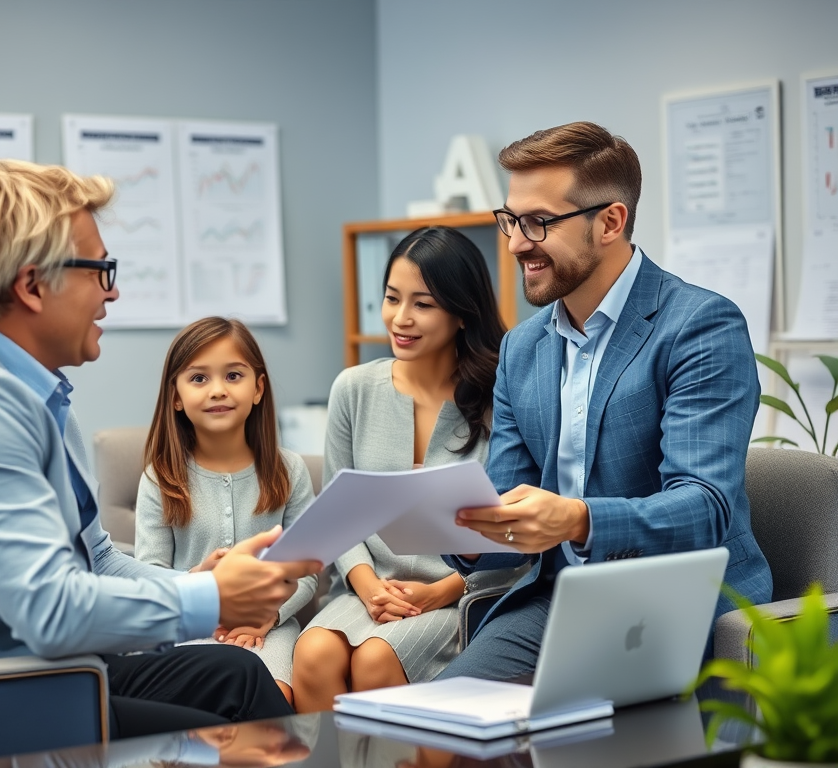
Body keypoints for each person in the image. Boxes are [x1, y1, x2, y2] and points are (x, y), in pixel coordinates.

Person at [0, 159, 320, 736]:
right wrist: (211, 602)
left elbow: (96, 559)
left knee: (238, 676)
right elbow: (51, 611)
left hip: (29, 673)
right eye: (99, 270)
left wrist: (198, 584)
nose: (113, 291)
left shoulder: (34, 395)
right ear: (32, 285)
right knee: (226, 743)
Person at [437, 121, 773, 682]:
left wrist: (576, 519)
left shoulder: (699, 326)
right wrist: (469, 536)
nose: (517, 242)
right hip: (555, 600)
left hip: (671, 602)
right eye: (512, 220)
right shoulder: (523, 348)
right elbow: (513, 512)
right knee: (439, 729)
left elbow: (703, 507)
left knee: (581, 743)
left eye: (539, 222)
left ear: (610, 222)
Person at [292, 226, 506, 712]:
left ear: (461, 312)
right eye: (392, 298)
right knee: (312, 653)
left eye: (423, 304)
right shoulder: (353, 388)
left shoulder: (501, 397)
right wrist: (367, 586)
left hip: (456, 594)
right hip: (371, 586)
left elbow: (511, 532)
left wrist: (438, 592)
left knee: (375, 661)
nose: (400, 318)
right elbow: (336, 512)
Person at [135, 316, 317, 705]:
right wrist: (205, 599)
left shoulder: (290, 471)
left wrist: (270, 615)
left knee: (275, 699)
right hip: (187, 628)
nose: (218, 390)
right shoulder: (159, 478)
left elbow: (308, 574)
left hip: (268, 627)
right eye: (199, 378)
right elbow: (151, 575)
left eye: (233, 376)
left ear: (258, 388)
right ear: (176, 397)